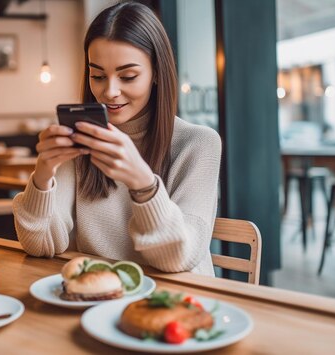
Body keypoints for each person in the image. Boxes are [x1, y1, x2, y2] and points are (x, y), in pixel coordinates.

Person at [13, 2, 221, 276]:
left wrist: (142, 183)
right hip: (99, 300)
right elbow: (40, 245)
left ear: (156, 72)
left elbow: (178, 259)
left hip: (176, 305)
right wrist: (43, 175)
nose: (109, 91)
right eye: (97, 75)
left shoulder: (198, 144)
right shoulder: (80, 140)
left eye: (128, 76)